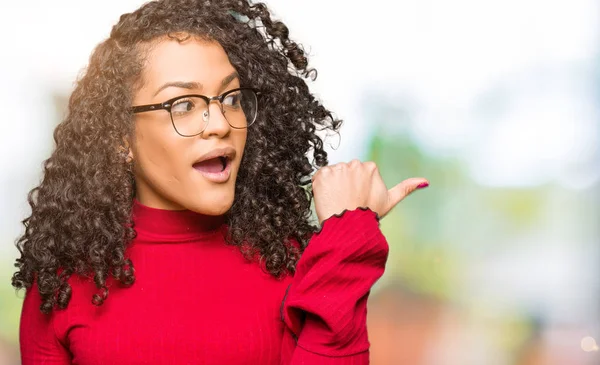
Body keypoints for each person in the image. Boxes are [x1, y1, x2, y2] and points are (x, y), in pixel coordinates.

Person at [12, 0, 429, 364]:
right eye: (185, 104)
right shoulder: (61, 286)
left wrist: (347, 239)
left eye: (230, 98)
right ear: (121, 136)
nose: (220, 124)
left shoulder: (290, 263)